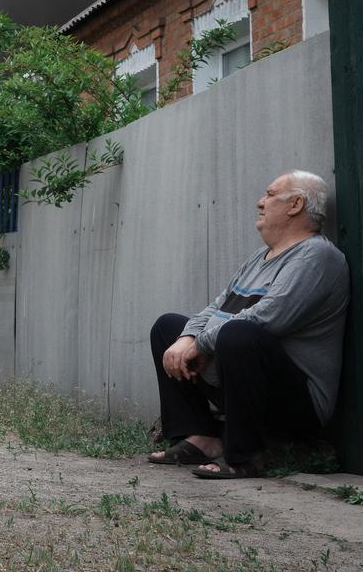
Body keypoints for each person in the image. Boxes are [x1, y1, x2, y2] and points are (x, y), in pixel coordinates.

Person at [146, 170, 349, 479]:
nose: (260, 202)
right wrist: (188, 337)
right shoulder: (260, 257)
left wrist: (201, 344)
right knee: (168, 327)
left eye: (269, 195)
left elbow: (268, 318)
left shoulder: (317, 257)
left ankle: (245, 455)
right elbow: (218, 305)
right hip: (238, 382)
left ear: (295, 205)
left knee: (240, 332)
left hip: (297, 403)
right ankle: (201, 437)